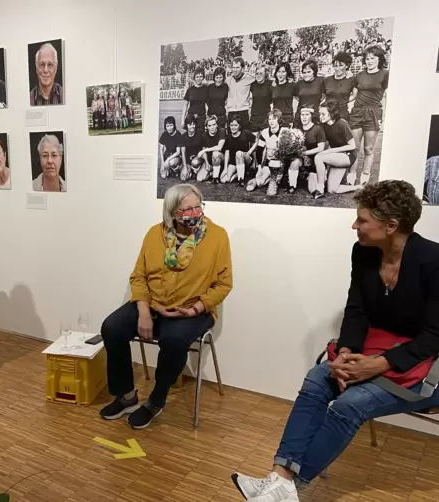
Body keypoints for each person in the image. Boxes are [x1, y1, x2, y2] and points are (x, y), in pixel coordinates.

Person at [232, 180, 439, 502]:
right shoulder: (364, 252)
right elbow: (356, 310)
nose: (354, 225)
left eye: (362, 220)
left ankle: (289, 487)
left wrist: (378, 364)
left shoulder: (433, 261)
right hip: (375, 350)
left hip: (424, 367)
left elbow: (434, 336)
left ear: (391, 226)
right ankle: (280, 478)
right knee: (318, 378)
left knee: (349, 405)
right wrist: (345, 353)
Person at [99, 183, 232, 429]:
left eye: (197, 207)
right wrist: (144, 312)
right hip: (154, 304)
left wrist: (195, 309)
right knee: (112, 327)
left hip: (193, 309)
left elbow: (224, 285)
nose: (193, 213)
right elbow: (138, 276)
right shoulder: (154, 234)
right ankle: (126, 395)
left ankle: (156, 400)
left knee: (173, 340)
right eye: (186, 209)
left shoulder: (217, 236)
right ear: (171, 213)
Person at [350, 46, 389, 186]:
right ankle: (351, 175)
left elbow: (387, 96)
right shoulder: (359, 75)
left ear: (379, 59)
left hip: (373, 113)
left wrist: (385, 116)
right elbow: (353, 95)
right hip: (357, 112)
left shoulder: (385, 74)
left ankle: (365, 176)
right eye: (367, 58)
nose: (370, 61)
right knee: (354, 148)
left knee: (368, 148)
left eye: (373, 58)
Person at [315, 100, 361, 198]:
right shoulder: (324, 125)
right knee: (332, 189)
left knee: (319, 157)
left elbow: (352, 146)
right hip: (337, 155)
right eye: (320, 113)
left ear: (331, 114)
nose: (321, 116)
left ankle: (319, 189)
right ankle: (357, 188)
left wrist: (330, 151)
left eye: (323, 114)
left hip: (348, 156)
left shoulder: (342, 124)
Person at [287, 107, 326, 196]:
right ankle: (292, 185)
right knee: (294, 162)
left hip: (315, 161)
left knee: (312, 189)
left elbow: (321, 148)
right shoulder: (297, 128)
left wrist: (306, 153)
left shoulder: (318, 128)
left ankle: (309, 176)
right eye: (302, 115)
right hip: (301, 159)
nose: (304, 117)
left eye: (307, 115)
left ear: (311, 116)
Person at [248, 109, 286, 195]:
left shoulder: (284, 131)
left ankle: (277, 179)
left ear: (279, 120)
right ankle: (261, 180)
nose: (271, 121)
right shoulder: (264, 133)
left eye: (274, 119)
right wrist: (259, 168)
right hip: (269, 162)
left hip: (282, 163)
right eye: (269, 119)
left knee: (277, 181)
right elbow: (259, 151)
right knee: (260, 183)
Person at [222, 114, 257, 186]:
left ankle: (241, 180)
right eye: (231, 125)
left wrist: (251, 153)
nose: (233, 127)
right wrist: (225, 169)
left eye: (235, 125)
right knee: (224, 180)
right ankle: (237, 174)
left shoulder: (245, 133)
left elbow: (256, 141)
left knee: (238, 153)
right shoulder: (228, 137)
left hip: (246, 158)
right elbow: (227, 153)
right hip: (234, 162)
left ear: (239, 126)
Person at [226, 57, 256, 132]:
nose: (235, 70)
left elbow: (261, 79)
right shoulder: (228, 80)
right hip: (231, 111)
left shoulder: (249, 78)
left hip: (243, 111)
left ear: (242, 68)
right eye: (233, 67)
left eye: (237, 67)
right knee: (231, 137)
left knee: (244, 136)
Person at [324, 52, 356, 123]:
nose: (337, 68)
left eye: (340, 65)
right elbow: (322, 96)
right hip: (327, 116)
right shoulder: (327, 80)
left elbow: (354, 95)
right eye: (335, 65)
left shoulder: (351, 80)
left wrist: (344, 101)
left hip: (343, 115)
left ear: (347, 66)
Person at [293, 60, 325, 127]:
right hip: (301, 114)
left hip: (315, 114)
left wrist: (316, 101)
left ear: (314, 72)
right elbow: (296, 96)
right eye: (304, 72)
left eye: (309, 72)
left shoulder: (321, 81)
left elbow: (324, 95)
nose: (306, 74)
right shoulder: (299, 83)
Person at [196, 115, 226, 184]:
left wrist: (205, 150)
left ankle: (215, 177)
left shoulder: (222, 131)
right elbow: (203, 148)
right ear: (206, 127)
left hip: (222, 158)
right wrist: (206, 163)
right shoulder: (204, 135)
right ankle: (212, 173)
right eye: (209, 126)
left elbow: (219, 147)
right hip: (210, 160)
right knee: (199, 179)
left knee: (215, 153)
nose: (212, 127)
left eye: (214, 125)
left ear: (217, 125)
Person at [159, 116, 186, 181]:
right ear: (165, 127)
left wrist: (168, 160)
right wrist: (162, 163)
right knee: (164, 176)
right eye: (167, 126)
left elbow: (178, 152)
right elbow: (161, 149)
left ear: (174, 125)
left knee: (171, 162)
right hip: (168, 155)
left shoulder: (177, 134)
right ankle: (171, 170)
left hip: (176, 156)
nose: (169, 128)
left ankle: (177, 167)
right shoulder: (164, 134)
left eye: (171, 125)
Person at [182, 69, 208, 134]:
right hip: (191, 117)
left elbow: (208, 105)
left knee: (200, 138)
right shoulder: (190, 90)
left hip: (201, 118)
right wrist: (182, 119)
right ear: (194, 78)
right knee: (190, 137)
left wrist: (208, 118)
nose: (199, 78)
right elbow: (185, 104)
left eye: (201, 76)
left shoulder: (206, 89)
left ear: (203, 77)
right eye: (197, 77)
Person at [271, 62, 296, 128]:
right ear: (276, 73)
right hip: (275, 118)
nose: (280, 74)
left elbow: (298, 98)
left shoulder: (292, 85)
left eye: (283, 71)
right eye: (279, 71)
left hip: (287, 118)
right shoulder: (273, 86)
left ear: (287, 73)